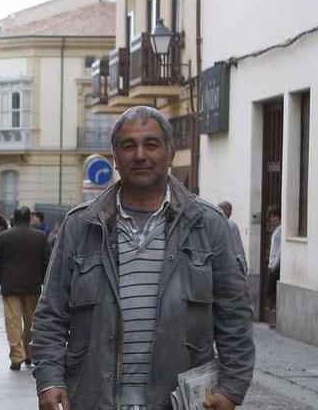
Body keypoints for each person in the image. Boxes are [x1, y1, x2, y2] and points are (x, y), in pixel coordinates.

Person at [32, 106, 254, 410]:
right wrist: (49, 380)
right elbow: (50, 314)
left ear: (170, 153)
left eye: (151, 144)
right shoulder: (81, 225)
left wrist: (231, 390)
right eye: (128, 146)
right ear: (115, 156)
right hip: (94, 399)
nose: (140, 155)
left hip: (178, 402)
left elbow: (235, 319)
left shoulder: (208, 225)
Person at [0, 206, 50, 371]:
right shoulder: (40, 237)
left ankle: (17, 356)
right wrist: (41, 278)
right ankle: (30, 353)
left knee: (13, 322)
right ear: (29, 219)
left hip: (10, 286)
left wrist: (2, 278)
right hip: (32, 286)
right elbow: (48, 261)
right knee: (31, 322)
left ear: (13, 219)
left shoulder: (3, 237)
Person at [266, 205, 282, 313]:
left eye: (274, 217)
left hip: (275, 267)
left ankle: (276, 313)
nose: (272, 220)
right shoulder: (276, 231)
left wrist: (273, 265)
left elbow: (280, 251)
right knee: (270, 292)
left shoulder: (280, 231)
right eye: (271, 218)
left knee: (272, 292)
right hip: (272, 266)